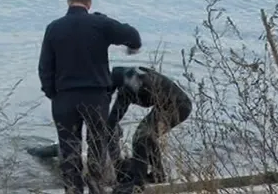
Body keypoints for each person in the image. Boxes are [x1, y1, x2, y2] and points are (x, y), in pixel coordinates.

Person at [37, 0, 142, 192]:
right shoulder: (100, 24)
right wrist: (131, 46)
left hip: (64, 98)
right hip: (95, 97)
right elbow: (133, 36)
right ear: (89, 2)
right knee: (96, 147)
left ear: (69, 1)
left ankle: (73, 190)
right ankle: (96, 189)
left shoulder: (53, 28)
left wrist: (53, 94)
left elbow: (44, 68)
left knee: (69, 151)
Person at [34, 65, 192, 193]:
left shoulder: (128, 83)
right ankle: (158, 175)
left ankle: (138, 183)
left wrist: (103, 132)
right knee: (146, 136)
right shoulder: (125, 77)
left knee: (141, 137)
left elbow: (114, 116)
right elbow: (113, 118)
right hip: (169, 105)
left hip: (178, 106)